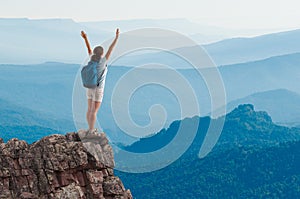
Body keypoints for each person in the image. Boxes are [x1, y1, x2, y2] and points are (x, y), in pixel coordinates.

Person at [80, 29, 119, 135]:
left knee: (89, 109)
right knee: (94, 111)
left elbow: (89, 49)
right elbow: (111, 49)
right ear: (102, 54)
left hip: (89, 87)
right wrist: (116, 37)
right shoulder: (103, 62)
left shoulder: (92, 59)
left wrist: (85, 38)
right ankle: (91, 130)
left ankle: (89, 128)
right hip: (98, 89)